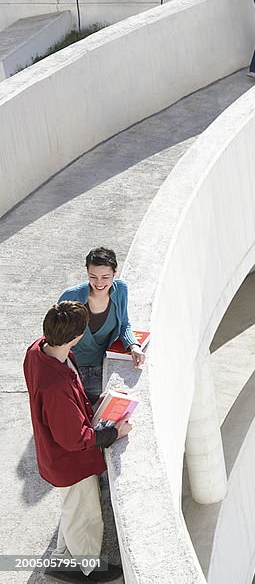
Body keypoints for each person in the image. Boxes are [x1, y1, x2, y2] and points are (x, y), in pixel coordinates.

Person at [24, 301, 131, 583]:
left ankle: (63, 558)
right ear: (75, 337)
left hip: (55, 457)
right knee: (87, 516)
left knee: (73, 509)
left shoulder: (37, 350)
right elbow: (76, 439)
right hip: (71, 463)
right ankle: (85, 570)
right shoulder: (56, 386)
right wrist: (114, 433)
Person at [57, 247, 145, 405]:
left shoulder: (121, 290)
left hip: (103, 367)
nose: (99, 283)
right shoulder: (70, 297)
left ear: (115, 272)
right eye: (93, 276)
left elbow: (124, 323)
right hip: (73, 371)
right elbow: (56, 337)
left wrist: (133, 346)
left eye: (105, 277)